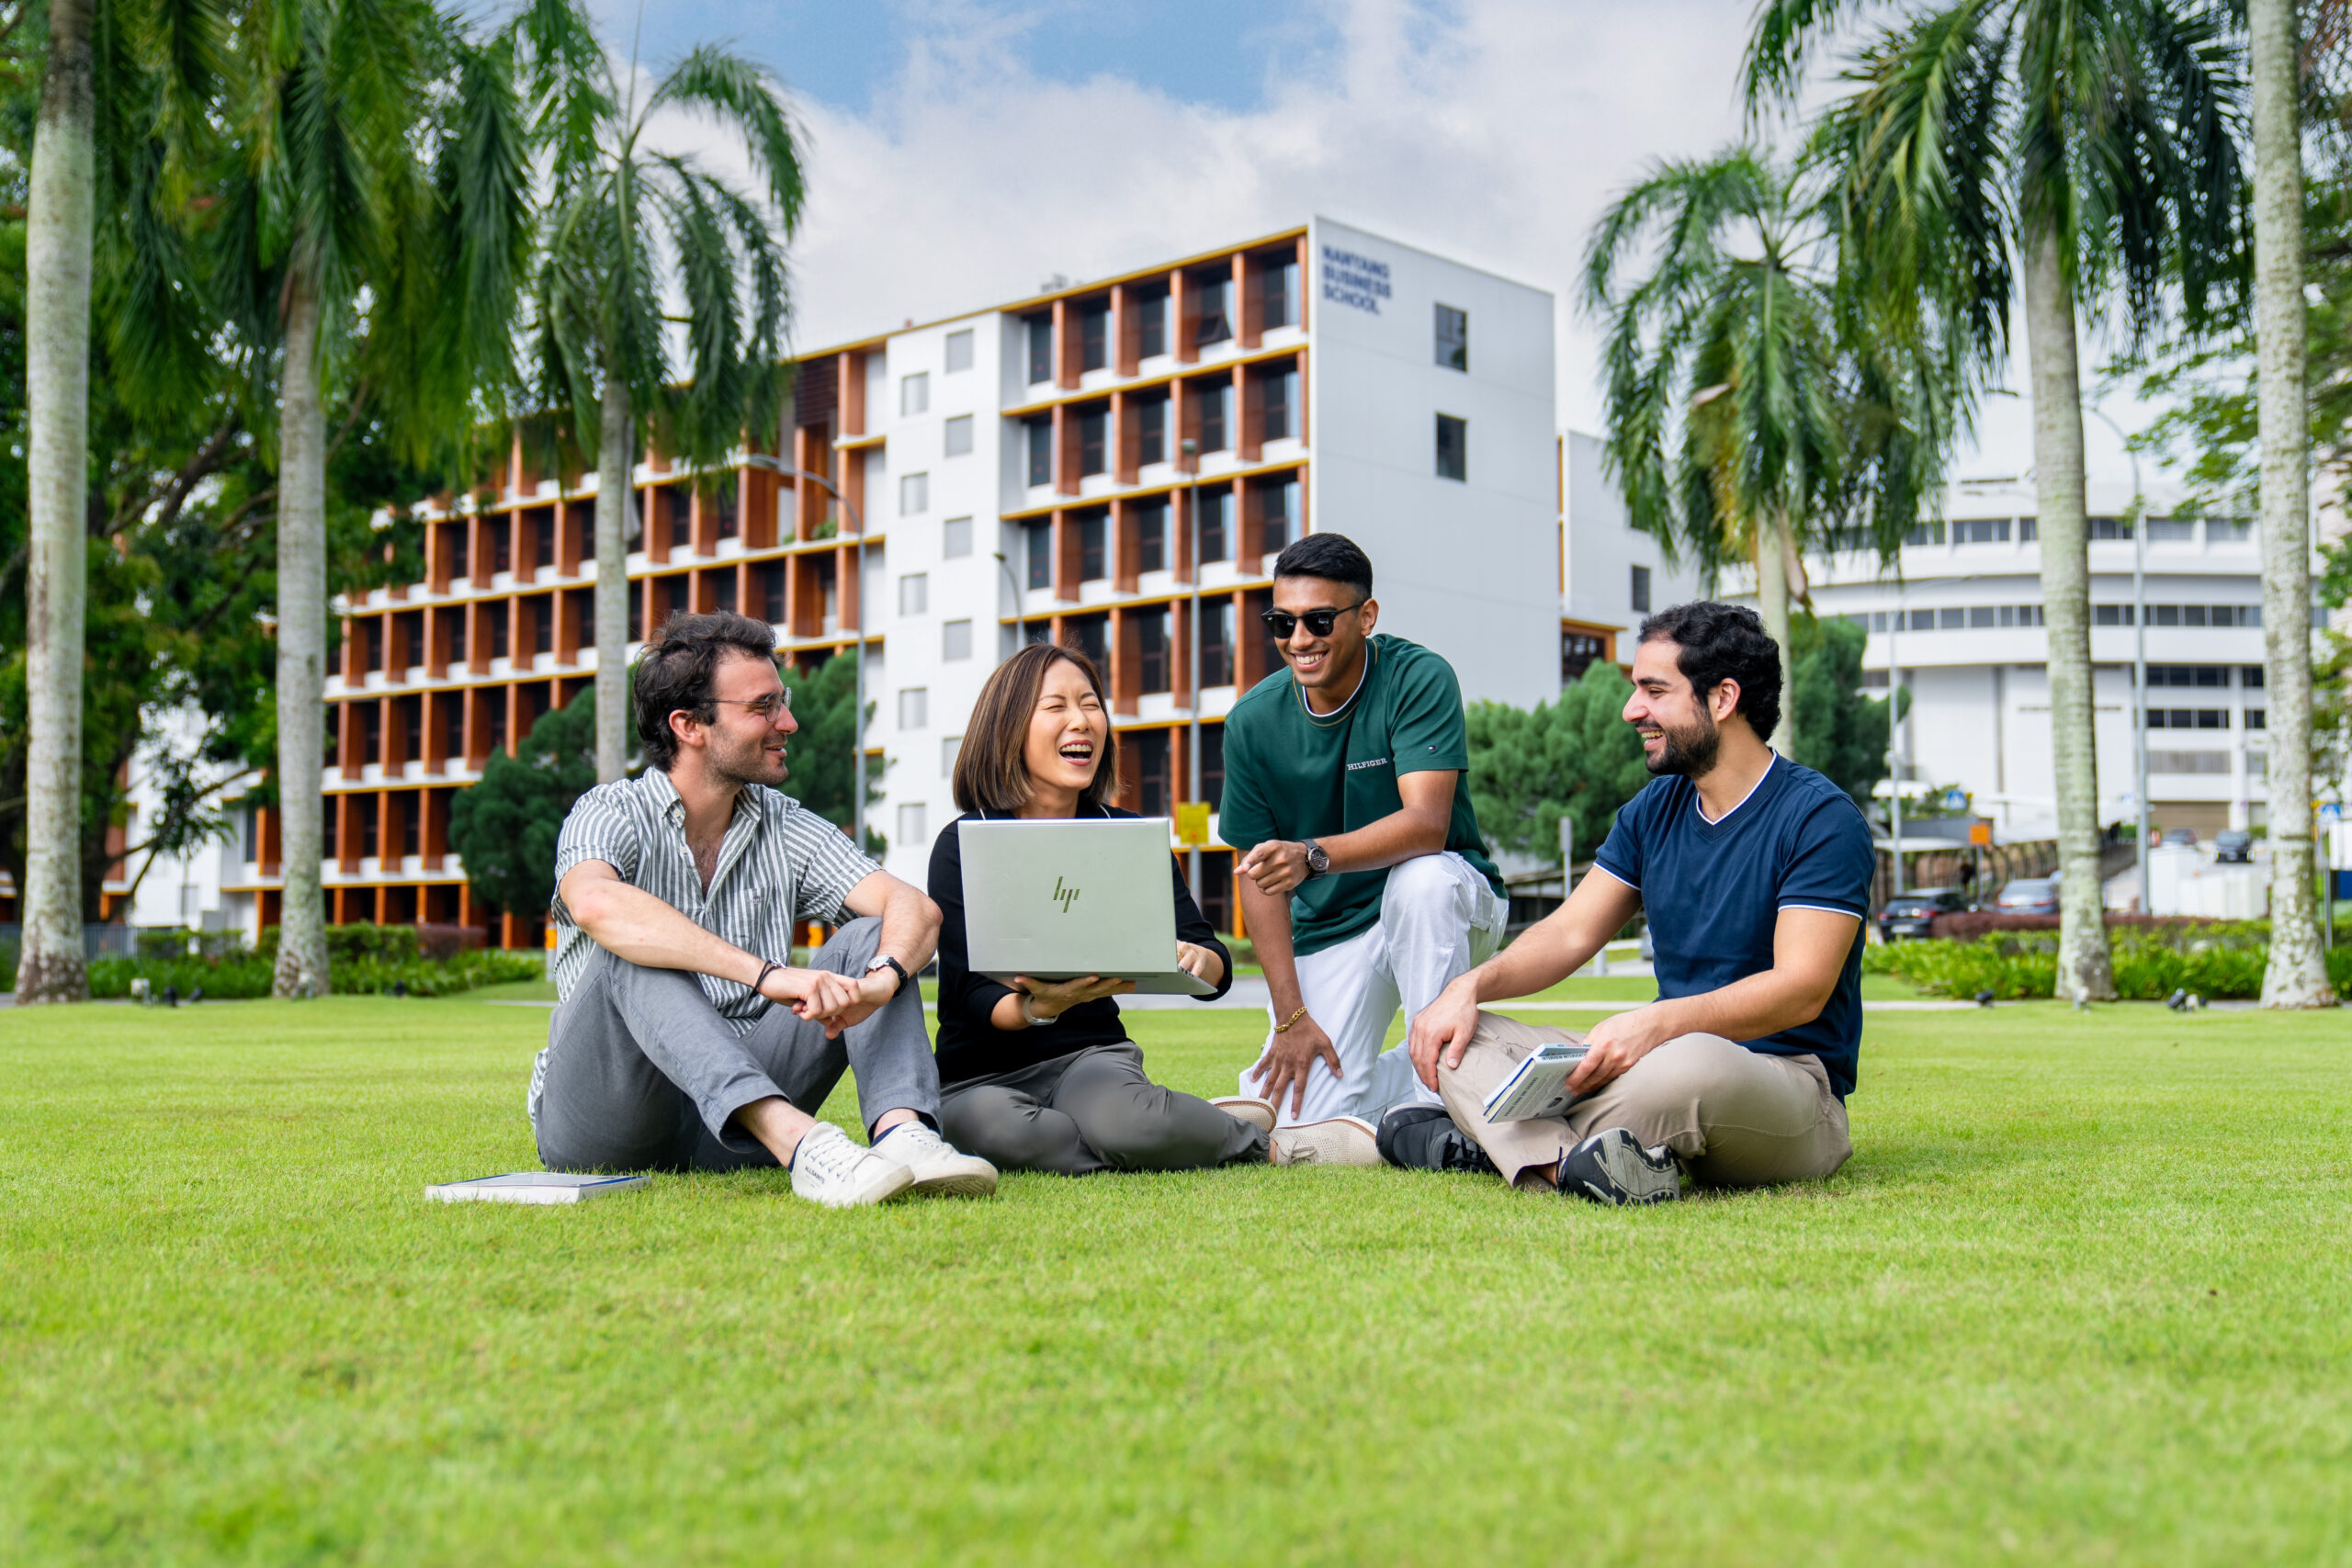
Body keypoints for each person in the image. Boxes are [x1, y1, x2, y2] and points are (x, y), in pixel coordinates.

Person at [1397, 601, 1872, 1205]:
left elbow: (1801, 988)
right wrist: (1468, 987)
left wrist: (1656, 1023)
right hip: (1659, 1062)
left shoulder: (1820, 818)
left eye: (1654, 690)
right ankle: (1571, 1164)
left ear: (1723, 698)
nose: (1631, 710)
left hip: (1785, 1085)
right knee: (1459, 1038)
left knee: (1693, 1066)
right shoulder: (1653, 809)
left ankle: (1492, 1138)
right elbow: (1569, 934)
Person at [528, 611, 999, 1209]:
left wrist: (882, 981)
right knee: (628, 947)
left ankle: (904, 1136)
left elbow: (913, 907)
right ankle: (804, 1146)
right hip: (609, 1118)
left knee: (875, 935)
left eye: (783, 702)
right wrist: (766, 975)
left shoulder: (784, 824)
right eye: (763, 707)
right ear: (689, 725)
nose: (789, 722)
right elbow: (596, 903)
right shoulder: (608, 811)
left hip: (729, 1127)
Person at [1216, 533, 1509, 1165]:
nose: (1299, 639)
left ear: (1366, 616)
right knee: (1301, 1116)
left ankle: (1436, 1110)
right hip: (1337, 926)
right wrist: (1290, 1017)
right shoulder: (1251, 722)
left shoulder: (1418, 677)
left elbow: (1426, 825)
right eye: (1282, 622)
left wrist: (1312, 855)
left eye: (1319, 620)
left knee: (1420, 881)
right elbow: (1257, 875)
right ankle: (1478, 1071)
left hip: (1450, 898)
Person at [928, 643, 1275, 1173]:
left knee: (1125, 1123)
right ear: (1008, 727)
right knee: (1009, 1132)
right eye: (1057, 706)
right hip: (978, 1078)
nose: (1082, 721)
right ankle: (1173, 1127)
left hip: (1090, 1059)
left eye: (1091, 704)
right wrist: (1040, 1007)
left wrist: (1197, 960)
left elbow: (1215, 964)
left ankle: (1253, 1142)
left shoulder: (1126, 835)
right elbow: (971, 995)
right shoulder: (963, 842)